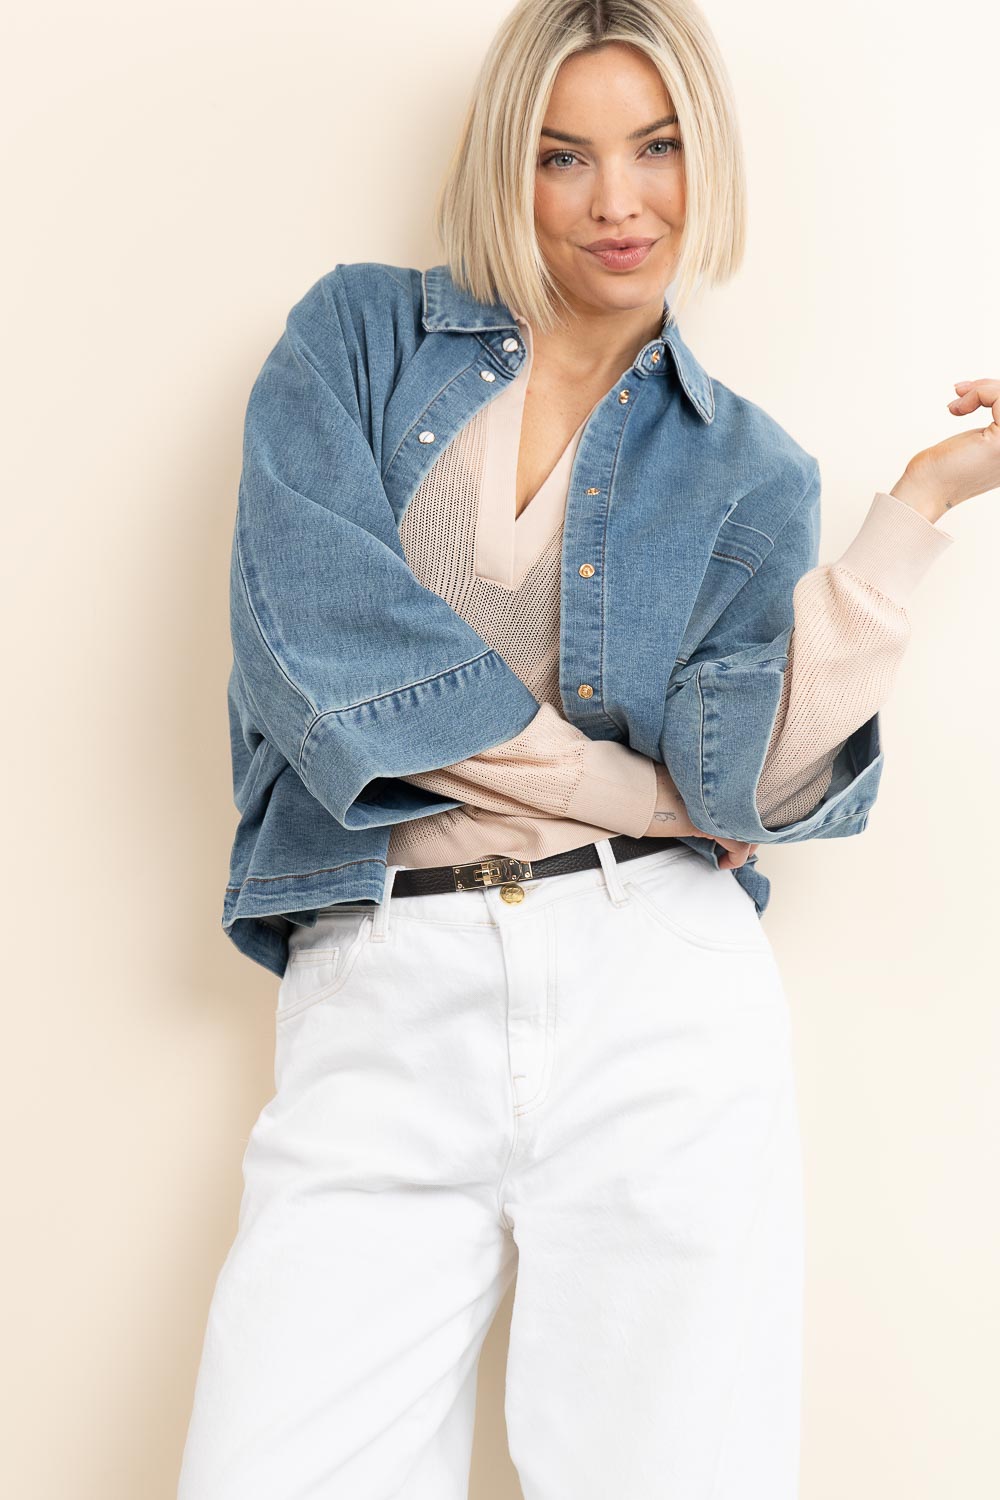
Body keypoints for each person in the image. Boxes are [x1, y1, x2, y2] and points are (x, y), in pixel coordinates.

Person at [178, 2, 997, 1496]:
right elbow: (319, 643)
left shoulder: (748, 464)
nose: (618, 201)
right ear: (510, 164)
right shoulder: (357, 339)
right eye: (564, 156)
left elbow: (747, 787)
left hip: (655, 987)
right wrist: (642, 795)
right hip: (385, 970)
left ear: (706, 158)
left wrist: (923, 507)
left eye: (656, 148)